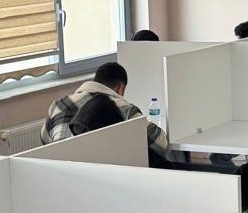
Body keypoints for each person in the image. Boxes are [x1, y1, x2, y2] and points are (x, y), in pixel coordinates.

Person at [40, 61, 170, 161]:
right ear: (120, 88)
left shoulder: (58, 105)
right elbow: (161, 143)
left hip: (60, 176)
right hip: (104, 178)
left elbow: (45, 144)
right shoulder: (124, 108)